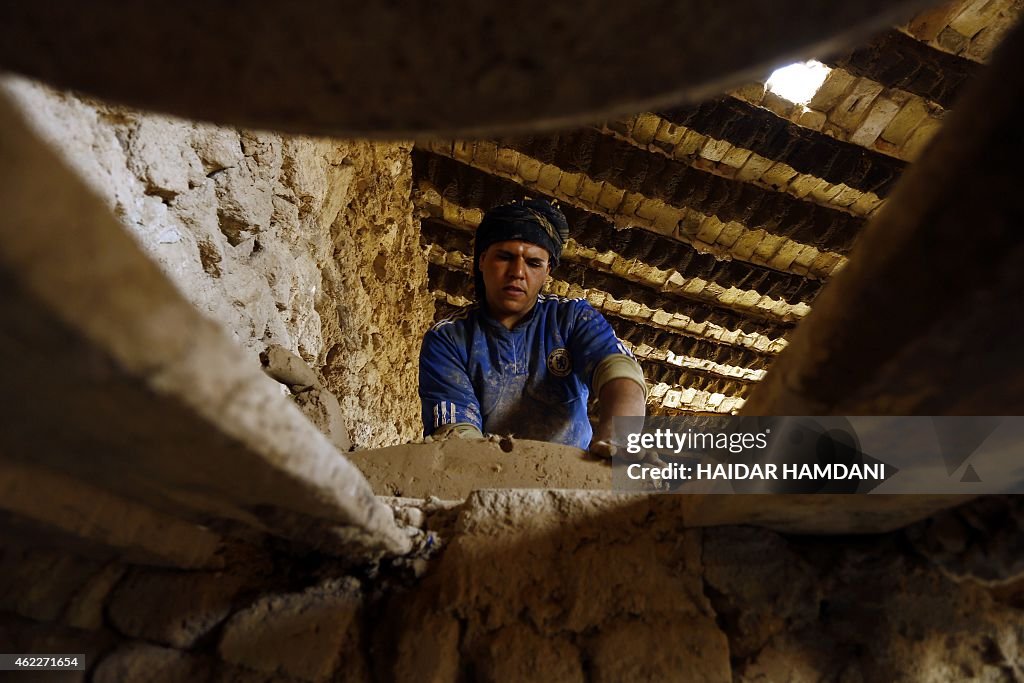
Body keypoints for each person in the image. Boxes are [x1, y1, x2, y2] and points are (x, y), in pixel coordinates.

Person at [419, 198, 646, 451]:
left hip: (570, 472)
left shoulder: (571, 318)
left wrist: (620, 438)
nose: (517, 272)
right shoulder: (449, 339)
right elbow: (457, 433)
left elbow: (620, 375)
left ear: (547, 270)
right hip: (486, 472)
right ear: (482, 260)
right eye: (505, 257)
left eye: (533, 263)